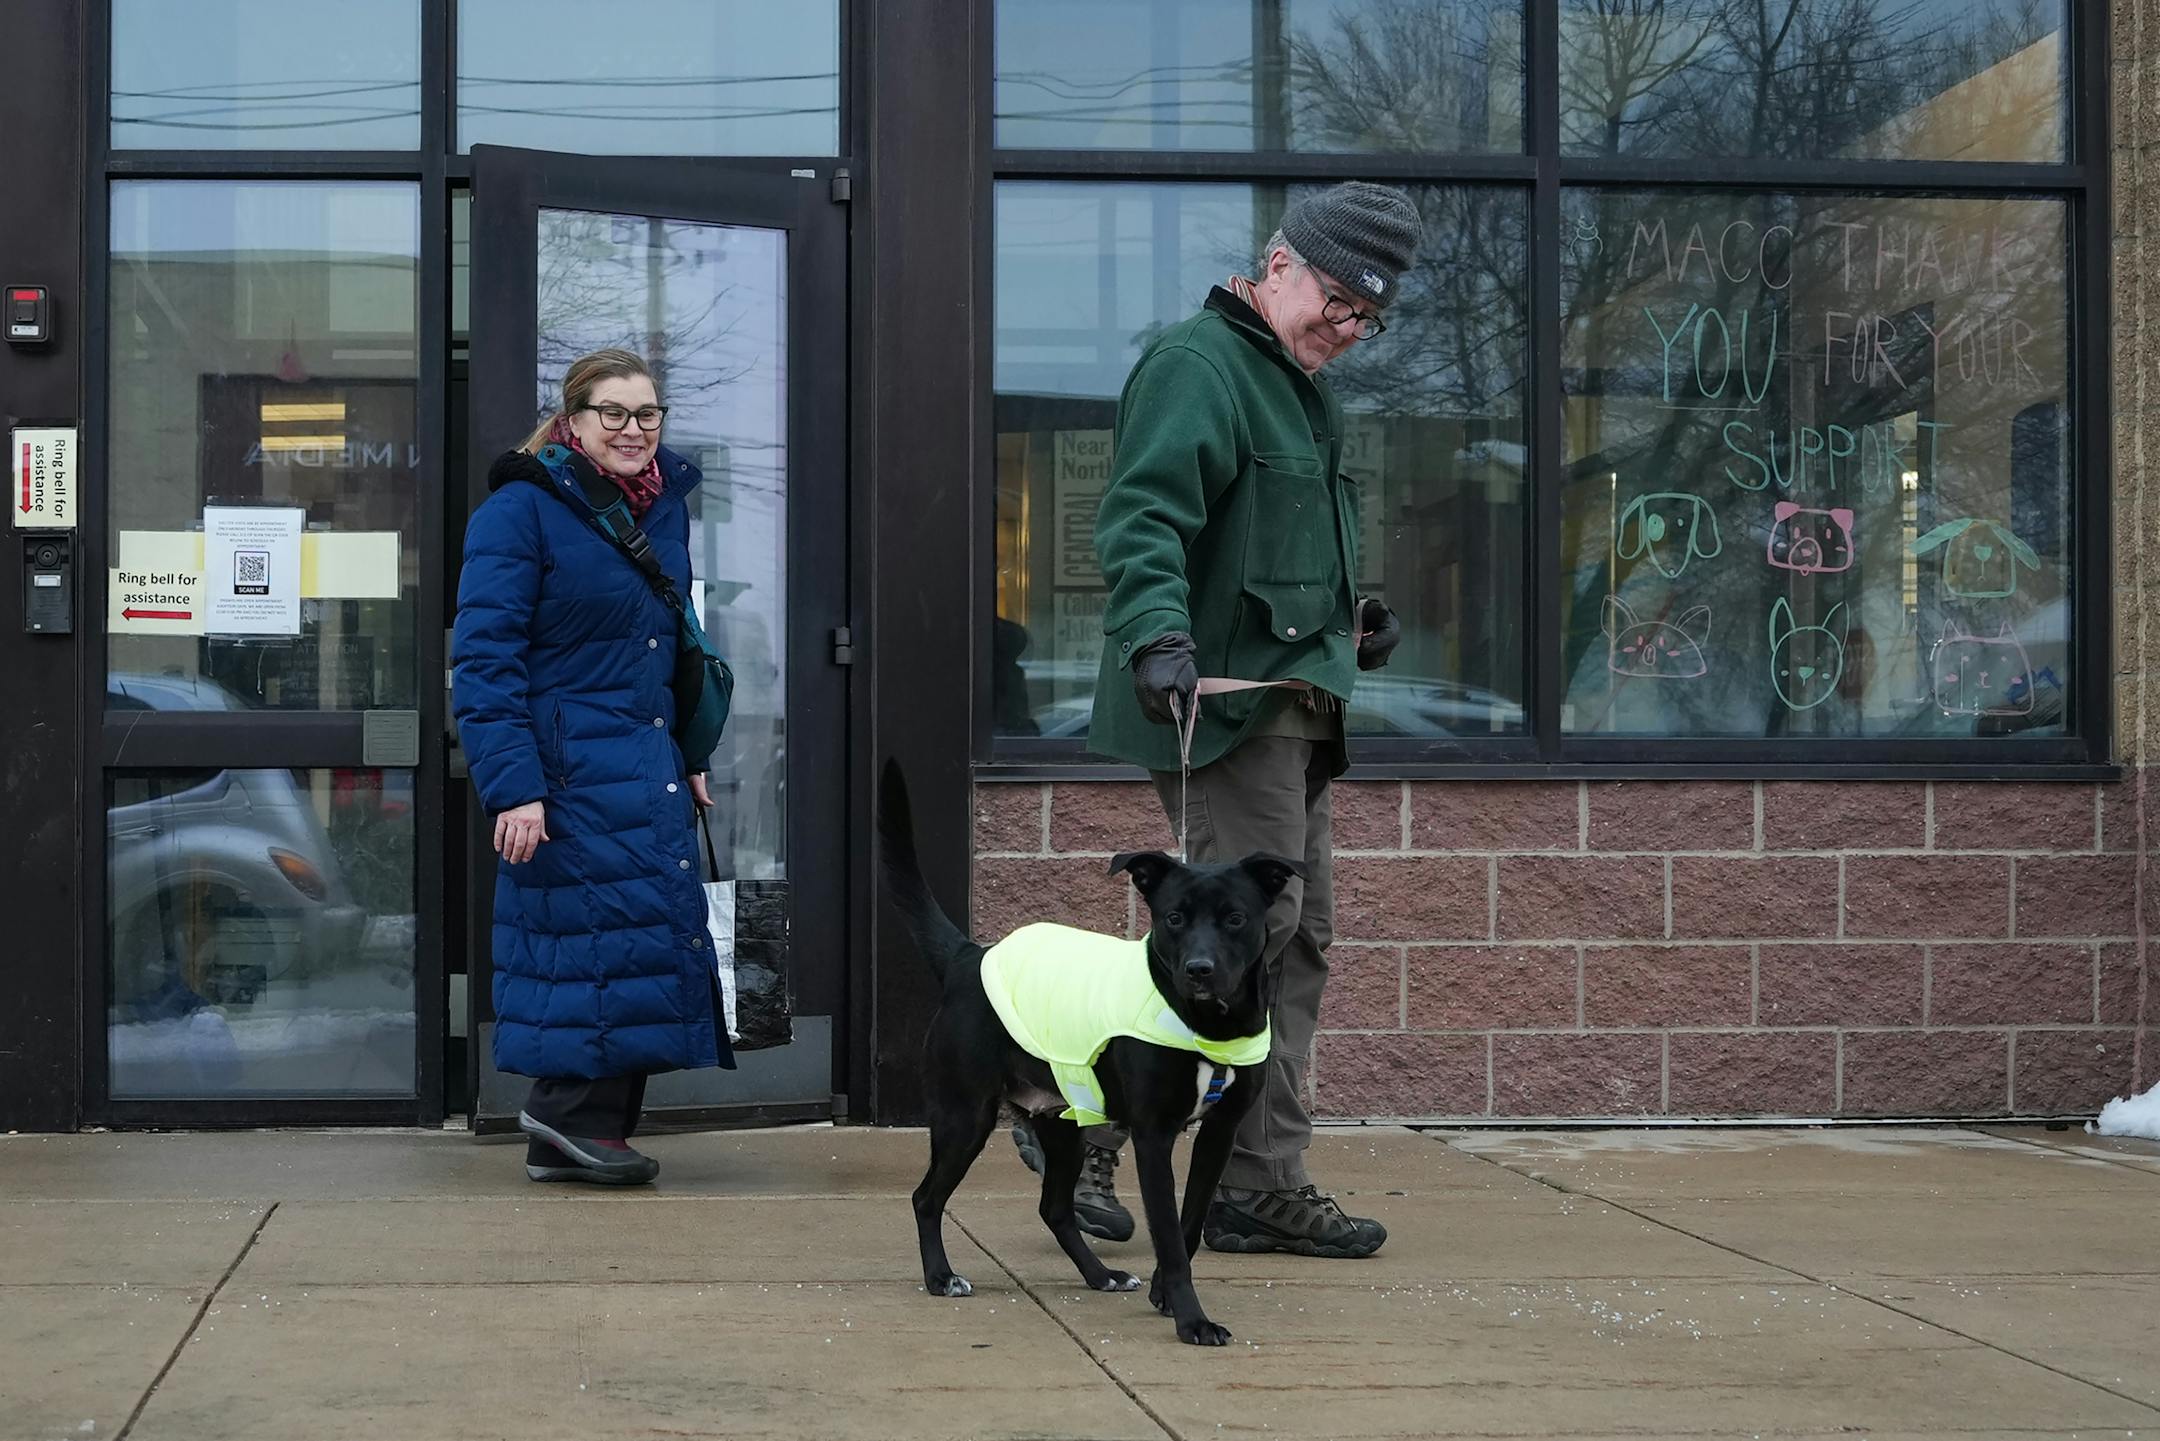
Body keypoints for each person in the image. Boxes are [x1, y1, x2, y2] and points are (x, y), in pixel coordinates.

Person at [1015, 182, 1421, 1258]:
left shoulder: (1297, 387)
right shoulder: (1201, 364)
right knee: (1224, 939)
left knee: (1293, 940)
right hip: (1220, 711)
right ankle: (1082, 1120)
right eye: (1337, 301)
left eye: (1366, 318)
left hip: (1293, 708)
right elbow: (1142, 513)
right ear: (1277, 265)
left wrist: (1350, 619)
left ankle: (1254, 1177)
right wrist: (1155, 631)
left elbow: (1269, 547)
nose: (1347, 329)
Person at [454, 347, 734, 1186]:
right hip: (567, 772)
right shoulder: (521, 511)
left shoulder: (664, 513)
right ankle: (568, 1113)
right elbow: (484, 661)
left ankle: (578, 1132)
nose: (633, 429)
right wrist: (515, 787)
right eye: (612, 412)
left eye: (647, 414)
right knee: (591, 940)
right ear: (572, 421)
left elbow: (669, 646)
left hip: (644, 761)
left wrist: (689, 753)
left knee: (644, 935)